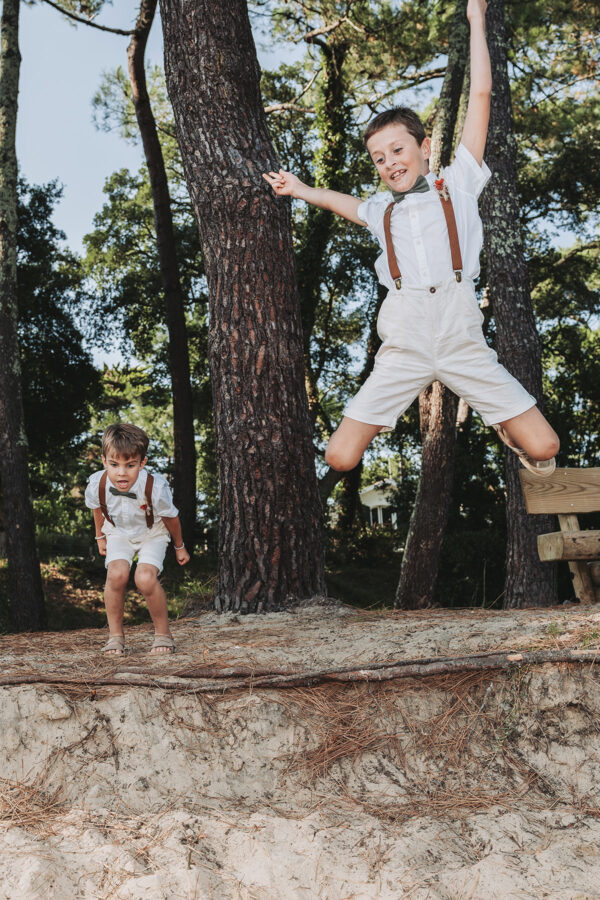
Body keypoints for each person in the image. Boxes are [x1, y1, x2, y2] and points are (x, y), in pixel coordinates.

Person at [263, 0, 559, 478]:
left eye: (397, 149)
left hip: (461, 338)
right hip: (404, 341)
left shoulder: (459, 183)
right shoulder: (382, 211)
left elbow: (480, 95)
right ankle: (388, 408)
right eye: (378, 158)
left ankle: (503, 424)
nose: (389, 162)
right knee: (339, 457)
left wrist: (476, 18)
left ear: (423, 148)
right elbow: (341, 202)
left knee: (545, 448)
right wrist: (300, 189)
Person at [85, 423, 190, 655]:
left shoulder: (155, 486)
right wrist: (99, 536)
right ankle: (115, 637)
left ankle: (163, 635)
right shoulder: (97, 483)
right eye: (114, 465)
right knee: (116, 574)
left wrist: (179, 546)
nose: (121, 472)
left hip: (152, 533)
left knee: (144, 578)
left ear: (142, 463)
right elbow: (97, 510)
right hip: (118, 532)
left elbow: (171, 518)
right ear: (104, 461)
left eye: (130, 465)